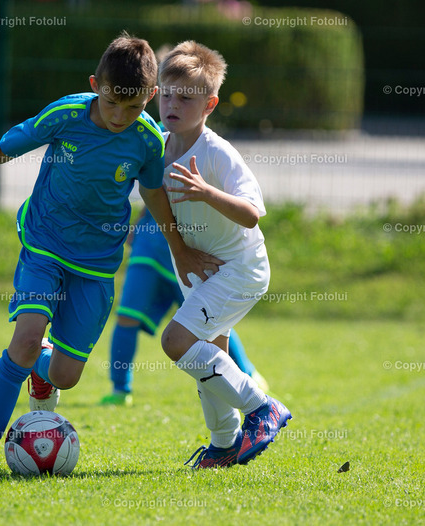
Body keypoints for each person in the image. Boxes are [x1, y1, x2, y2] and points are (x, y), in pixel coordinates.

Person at [0, 33, 223, 478]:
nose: (119, 116)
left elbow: (154, 196)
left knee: (65, 376)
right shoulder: (67, 114)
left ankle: (43, 368)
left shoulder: (147, 140)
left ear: (151, 97)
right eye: (112, 103)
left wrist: (181, 249)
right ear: (96, 85)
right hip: (45, 245)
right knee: (23, 342)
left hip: (96, 266)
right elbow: (6, 148)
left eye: (133, 107)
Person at [157, 41, 291, 469]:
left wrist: (206, 192)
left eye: (186, 98)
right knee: (208, 354)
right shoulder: (157, 144)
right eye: (166, 94)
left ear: (210, 104)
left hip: (240, 269)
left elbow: (252, 215)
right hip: (201, 271)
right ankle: (224, 444)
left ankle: (262, 407)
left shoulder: (217, 152)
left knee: (177, 342)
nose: (172, 104)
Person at [101, 207, 269, 406]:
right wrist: (139, 222)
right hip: (149, 245)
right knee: (127, 316)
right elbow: (153, 191)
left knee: (210, 320)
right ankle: (120, 388)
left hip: (190, 249)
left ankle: (247, 373)